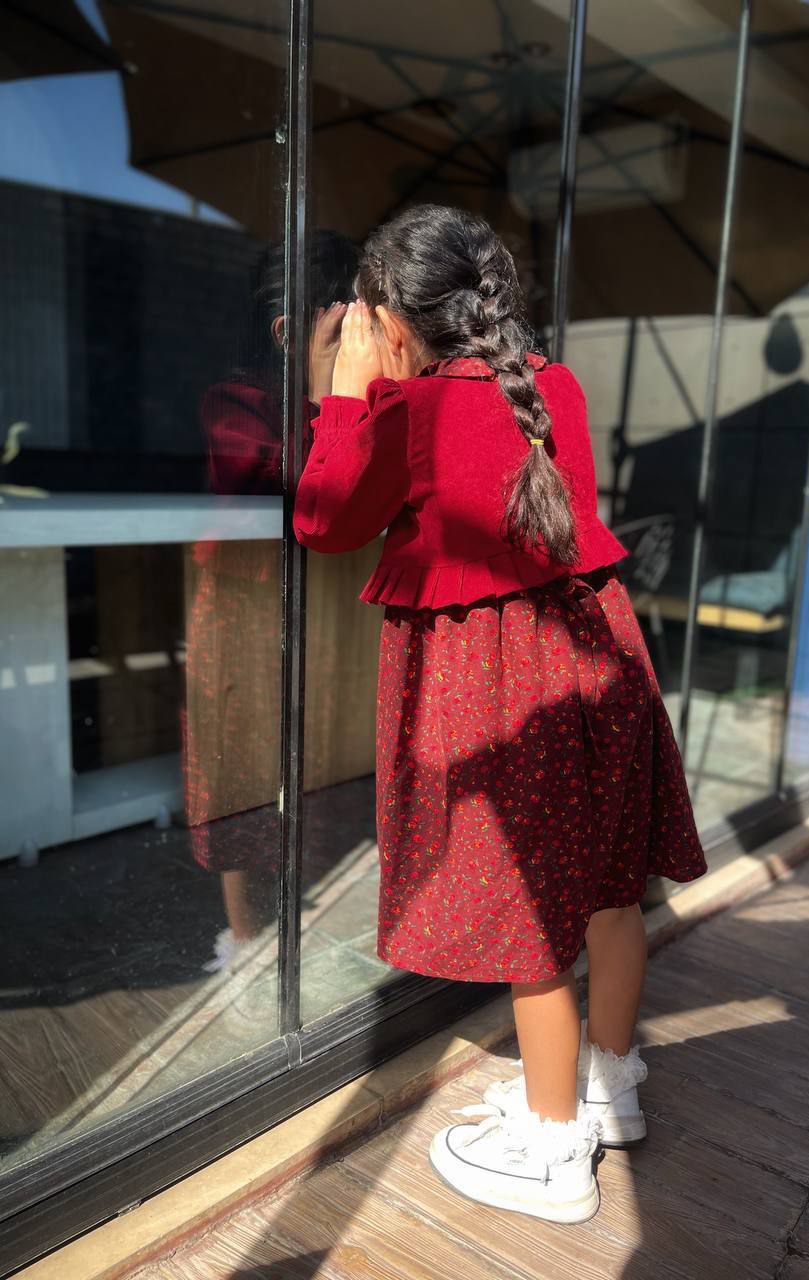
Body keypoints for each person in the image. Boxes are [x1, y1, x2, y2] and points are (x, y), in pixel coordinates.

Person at [293, 205, 706, 1223]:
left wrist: (342, 394)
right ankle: (610, 1087)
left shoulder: (409, 415)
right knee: (611, 891)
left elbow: (324, 518)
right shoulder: (553, 386)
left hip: (500, 687)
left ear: (394, 323)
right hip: (599, 661)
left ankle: (554, 1151)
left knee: (529, 919)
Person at [186, 232, 357, 975]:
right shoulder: (236, 404)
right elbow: (288, 493)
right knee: (240, 770)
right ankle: (245, 941)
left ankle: (302, 920)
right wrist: (322, 391)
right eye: (344, 317)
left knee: (317, 763)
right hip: (242, 606)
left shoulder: (355, 396)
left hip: (325, 604)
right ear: (292, 330)